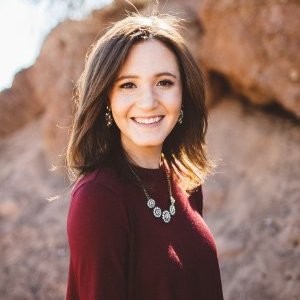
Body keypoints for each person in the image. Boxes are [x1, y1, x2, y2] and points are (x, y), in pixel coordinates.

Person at [65, 13, 223, 300]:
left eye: (164, 82)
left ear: (183, 92)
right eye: (128, 85)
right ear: (106, 99)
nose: (148, 102)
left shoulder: (186, 182)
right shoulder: (98, 199)